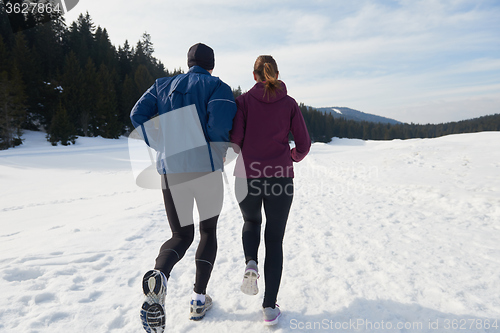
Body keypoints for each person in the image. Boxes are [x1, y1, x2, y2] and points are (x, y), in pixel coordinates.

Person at [130, 43, 237, 332]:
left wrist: (162, 144)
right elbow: (218, 126)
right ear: (211, 64)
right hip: (205, 169)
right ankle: (199, 300)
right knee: (207, 232)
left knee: (180, 234)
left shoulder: (161, 85)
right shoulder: (219, 87)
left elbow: (137, 115)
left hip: (171, 170)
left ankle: (160, 275)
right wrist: (219, 152)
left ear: (188, 62)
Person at [230, 55, 311, 325]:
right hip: (279, 177)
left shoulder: (242, 102)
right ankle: (268, 307)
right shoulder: (289, 104)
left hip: (246, 175)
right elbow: (304, 144)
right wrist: (291, 156)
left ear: (254, 76)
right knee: (274, 240)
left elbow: (235, 140)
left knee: (251, 221)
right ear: (276, 74)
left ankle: (250, 262)